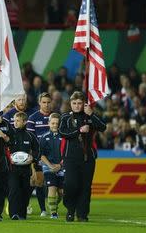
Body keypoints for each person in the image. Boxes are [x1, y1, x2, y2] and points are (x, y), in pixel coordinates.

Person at [59, 91, 106, 222]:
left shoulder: (90, 117)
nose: (77, 106)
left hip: (87, 157)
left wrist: (91, 114)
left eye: (80, 103)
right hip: (70, 158)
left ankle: (82, 214)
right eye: (74, 103)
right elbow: (62, 132)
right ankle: (70, 209)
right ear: (70, 104)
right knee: (70, 184)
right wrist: (78, 131)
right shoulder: (65, 118)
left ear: (84, 104)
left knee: (85, 187)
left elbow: (103, 127)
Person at [7, 112, 39, 220]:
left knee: (25, 191)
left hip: (26, 169)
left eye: (18, 121)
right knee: (14, 190)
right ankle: (13, 214)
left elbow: (37, 150)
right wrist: (8, 158)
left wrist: (33, 158)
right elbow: (3, 148)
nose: (15, 123)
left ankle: (22, 214)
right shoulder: (10, 135)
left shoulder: (30, 136)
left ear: (24, 122)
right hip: (12, 169)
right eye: (14, 120)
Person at [26, 92, 52, 216]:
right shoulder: (32, 118)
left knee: (60, 187)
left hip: (55, 157)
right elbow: (30, 140)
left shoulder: (56, 117)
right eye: (44, 102)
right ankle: (43, 210)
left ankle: (53, 206)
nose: (46, 105)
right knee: (39, 181)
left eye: (48, 102)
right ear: (39, 103)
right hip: (38, 155)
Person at [40, 113, 64, 219]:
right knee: (52, 187)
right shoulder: (44, 137)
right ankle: (53, 213)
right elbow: (41, 155)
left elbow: (67, 154)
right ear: (48, 123)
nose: (55, 125)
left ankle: (53, 204)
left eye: (57, 123)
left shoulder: (64, 137)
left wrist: (59, 165)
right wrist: (50, 166)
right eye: (53, 123)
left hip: (62, 167)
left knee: (61, 192)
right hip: (48, 166)